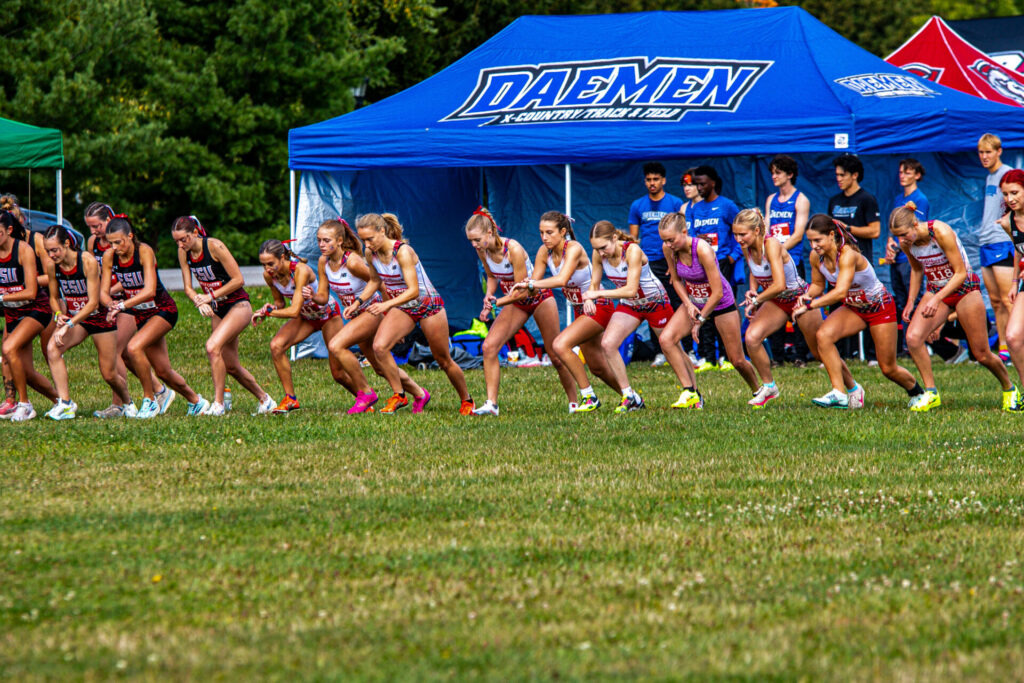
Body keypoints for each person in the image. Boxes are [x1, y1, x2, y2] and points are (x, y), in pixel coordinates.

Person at [889, 204, 1015, 412]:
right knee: (913, 338)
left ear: (914, 224)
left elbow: (960, 273)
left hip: (964, 289)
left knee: (982, 354)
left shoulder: (940, 232)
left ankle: (1009, 389)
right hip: (937, 289)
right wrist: (911, 301)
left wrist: (935, 299)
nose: (901, 240)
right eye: (897, 236)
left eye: (903, 234)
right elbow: (917, 269)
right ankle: (931, 393)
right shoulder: (906, 243)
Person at [793, 215, 920, 408]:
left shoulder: (848, 255)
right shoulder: (815, 257)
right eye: (810, 241)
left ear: (831, 235)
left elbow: (841, 291)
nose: (813, 245)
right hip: (854, 308)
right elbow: (818, 285)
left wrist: (810, 305)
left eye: (817, 240)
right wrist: (807, 296)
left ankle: (917, 392)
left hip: (879, 307)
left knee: (888, 368)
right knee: (823, 336)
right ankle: (842, 392)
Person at [733, 208, 855, 408]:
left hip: (799, 298)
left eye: (742, 234)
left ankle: (852, 388)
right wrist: (753, 291)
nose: (738, 239)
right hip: (777, 302)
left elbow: (780, 284)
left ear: (756, 231)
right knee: (752, 338)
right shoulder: (747, 246)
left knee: (819, 352)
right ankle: (769, 386)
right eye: (735, 234)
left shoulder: (770, 244)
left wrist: (756, 302)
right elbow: (756, 271)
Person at [357, 213, 474, 415]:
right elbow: (375, 281)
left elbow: (414, 291)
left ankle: (467, 400)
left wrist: (386, 306)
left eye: (370, 239)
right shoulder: (371, 253)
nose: (367, 244)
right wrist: (359, 302)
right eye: (363, 240)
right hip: (405, 307)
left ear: (382, 231)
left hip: (428, 305)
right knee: (379, 347)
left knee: (443, 360)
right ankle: (399, 394)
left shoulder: (402, 251)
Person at [464, 207, 573, 416]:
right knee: (489, 347)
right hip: (514, 302)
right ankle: (491, 405)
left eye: (477, 239)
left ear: (489, 233)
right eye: (471, 241)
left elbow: (523, 292)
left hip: (538, 298)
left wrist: (497, 303)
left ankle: (575, 402)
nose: (474, 245)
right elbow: (492, 276)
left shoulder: (512, 248)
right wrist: (489, 295)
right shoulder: (482, 250)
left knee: (556, 356)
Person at [313, 218, 427, 414]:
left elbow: (380, 284)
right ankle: (419, 393)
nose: (322, 245)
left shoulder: (353, 262)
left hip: (372, 311)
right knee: (381, 368)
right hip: (357, 315)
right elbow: (322, 297)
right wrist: (307, 295)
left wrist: (391, 318)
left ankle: (366, 394)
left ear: (340, 240)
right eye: (319, 240)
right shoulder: (323, 262)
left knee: (336, 345)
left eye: (326, 240)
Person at [508, 211, 619, 413]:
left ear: (563, 231)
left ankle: (589, 397)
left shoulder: (574, 248)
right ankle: (631, 397)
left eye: (549, 233)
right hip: (580, 309)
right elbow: (534, 285)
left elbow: (560, 280)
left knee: (559, 344)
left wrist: (532, 283)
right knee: (597, 367)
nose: (544, 237)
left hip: (598, 305)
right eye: (541, 232)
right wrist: (506, 294)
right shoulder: (544, 251)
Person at [101, 216, 209, 418]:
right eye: (111, 243)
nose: (114, 247)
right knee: (163, 371)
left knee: (133, 347)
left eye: (118, 242)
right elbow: (103, 291)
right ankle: (197, 402)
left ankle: (149, 400)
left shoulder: (144, 251)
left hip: (163, 309)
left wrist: (123, 304)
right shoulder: (110, 257)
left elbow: (150, 290)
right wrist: (110, 304)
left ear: (130, 237)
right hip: (140, 313)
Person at [173, 216, 274, 416]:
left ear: (195, 233)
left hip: (238, 305)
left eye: (184, 239)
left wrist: (208, 297)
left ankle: (218, 404)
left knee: (212, 346)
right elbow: (187, 288)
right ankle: (266, 400)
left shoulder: (215, 246)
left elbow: (238, 280)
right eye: (176, 241)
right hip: (218, 307)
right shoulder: (183, 252)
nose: (180, 244)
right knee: (231, 365)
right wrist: (198, 300)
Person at [658, 212, 760, 408]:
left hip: (720, 303)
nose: (668, 244)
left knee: (736, 360)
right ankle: (691, 392)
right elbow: (676, 280)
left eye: (671, 239)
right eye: (665, 240)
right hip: (695, 302)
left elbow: (718, 292)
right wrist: (688, 304)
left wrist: (700, 320)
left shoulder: (702, 249)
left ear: (685, 232)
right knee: (666, 339)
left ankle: (758, 391)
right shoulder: (668, 249)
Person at [583, 220, 685, 412]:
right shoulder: (598, 254)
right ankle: (630, 397)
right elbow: (594, 284)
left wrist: (597, 294)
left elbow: (630, 289)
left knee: (673, 348)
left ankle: (692, 392)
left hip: (655, 302)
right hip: (631, 305)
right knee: (608, 344)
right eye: (596, 249)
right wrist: (589, 298)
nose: (601, 252)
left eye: (603, 247)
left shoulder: (632, 251)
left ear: (614, 238)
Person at [84, 201, 170, 418]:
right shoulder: (94, 243)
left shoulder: (132, 246)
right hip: (110, 302)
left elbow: (132, 277)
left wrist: (114, 293)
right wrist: (100, 298)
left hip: (130, 301)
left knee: (118, 350)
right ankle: (158, 390)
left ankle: (122, 404)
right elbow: (97, 276)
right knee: (122, 353)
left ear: (109, 221)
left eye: (97, 226)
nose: (94, 232)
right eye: (90, 227)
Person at [43, 225, 134, 420]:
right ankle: (65, 404)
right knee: (53, 349)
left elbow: (93, 302)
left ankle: (128, 403)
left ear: (67, 244)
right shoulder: (52, 265)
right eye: (48, 251)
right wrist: (58, 313)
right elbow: (52, 296)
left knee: (109, 374)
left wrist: (68, 324)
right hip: (78, 320)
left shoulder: (86, 261)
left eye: (55, 250)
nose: (51, 255)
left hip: (98, 318)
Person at [252, 238, 353, 414]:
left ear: (282, 257)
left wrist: (268, 314)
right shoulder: (269, 276)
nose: (267, 269)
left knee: (338, 374)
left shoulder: (300, 271)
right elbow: (280, 303)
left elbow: (293, 310)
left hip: (327, 315)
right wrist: (271, 307)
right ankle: (290, 398)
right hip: (306, 318)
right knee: (276, 346)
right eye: (263, 265)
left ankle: (364, 398)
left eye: (270, 263)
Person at [0, 211, 58, 421]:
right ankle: (61, 401)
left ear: (9, 231)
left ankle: (25, 405)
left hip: (36, 309)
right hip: (13, 311)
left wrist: (2, 296)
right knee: (25, 371)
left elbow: (31, 292)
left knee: (8, 348)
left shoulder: (23, 249)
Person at [827, 153, 881, 362]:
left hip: (860, 264)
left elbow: (875, 231)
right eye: (837, 175)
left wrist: (847, 228)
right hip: (837, 264)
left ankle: (872, 355)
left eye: (842, 175)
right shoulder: (834, 201)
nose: (838, 179)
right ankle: (840, 354)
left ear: (855, 175)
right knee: (837, 304)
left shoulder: (867, 199)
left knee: (867, 306)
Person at [688, 165, 741, 373]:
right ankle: (708, 358)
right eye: (696, 184)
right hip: (702, 267)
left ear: (713, 183)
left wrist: (732, 257)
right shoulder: (694, 209)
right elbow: (690, 235)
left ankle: (727, 357)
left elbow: (740, 232)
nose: (699, 187)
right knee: (704, 310)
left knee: (724, 310)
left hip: (723, 264)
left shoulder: (727, 206)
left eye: (702, 183)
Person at [764, 154, 811, 366]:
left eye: (778, 172)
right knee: (774, 304)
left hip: (792, 261)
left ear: (790, 174)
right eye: (772, 172)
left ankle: (801, 355)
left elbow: (799, 234)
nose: (774, 176)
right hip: (773, 262)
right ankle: (777, 357)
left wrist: (778, 250)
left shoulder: (801, 200)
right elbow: (765, 229)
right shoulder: (770, 200)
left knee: (797, 306)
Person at [883, 159, 930, 357]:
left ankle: (919, 341)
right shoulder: (897, 199)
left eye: (907, 172)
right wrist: (889, 246)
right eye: (901, 172)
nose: (902, 175)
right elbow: (893, 228)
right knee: (902, 301)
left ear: (917, 175)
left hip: (910, 259)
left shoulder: (920, 200)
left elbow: (918, 232)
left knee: (916, 300)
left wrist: (901, 248)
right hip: (897, 258)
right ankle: (905, 345)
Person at [977, 133, 1016, 362]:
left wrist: (1008, 223)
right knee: (995, 301)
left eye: (988, 152)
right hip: (986, 242)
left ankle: (1016, 343)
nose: (984, 157)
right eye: (981, 152)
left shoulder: (1006, 174)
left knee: (1008, 299)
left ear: (999, 151)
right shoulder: (990, 177)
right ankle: (1004, 349)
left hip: (1001, 241)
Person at [628, 162, 684, 309]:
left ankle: (681, 332)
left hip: (669, 260)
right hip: (647, 262)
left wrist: (675, 264)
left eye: (656, 179)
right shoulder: (637, 205)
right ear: (645, 181)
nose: (652, 183)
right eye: (648, 179)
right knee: (654, 303)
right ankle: (657, 333)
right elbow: (633, 240)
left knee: (675, 301)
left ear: (663, 181)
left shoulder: (675, 203)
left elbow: (683, 235)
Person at [997, 170, 1024, 407]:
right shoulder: (1009, 220)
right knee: (1013, 338)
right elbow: (1019, 250)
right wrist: (1015, 282)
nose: (1009, 198)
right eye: (1005, 194)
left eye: (1014, 192)